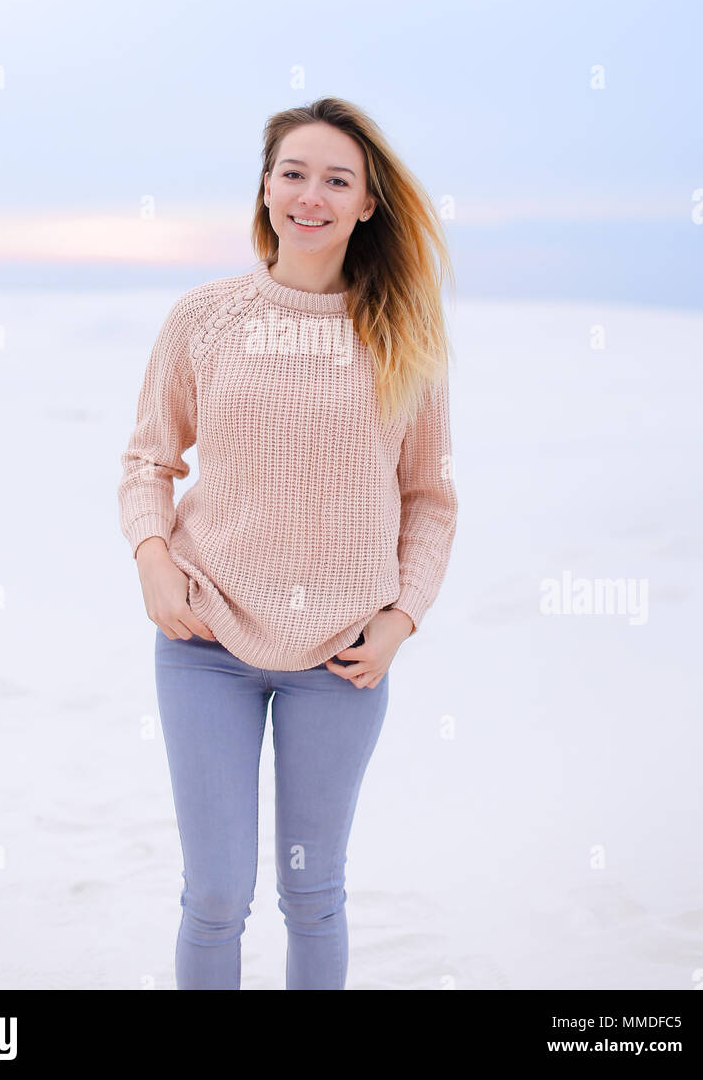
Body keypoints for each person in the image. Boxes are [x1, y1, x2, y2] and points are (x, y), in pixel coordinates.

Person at [118, 95, 458, 989]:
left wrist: (402, 619)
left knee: (313, 896)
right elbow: (149, 458)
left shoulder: (402, 338)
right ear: (266, 190)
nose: (312, 195)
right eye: (293, 173)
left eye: (336, 179)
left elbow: (431, 498)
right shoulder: (206, 317)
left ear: (367, 204)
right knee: (216, 895)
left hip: (341, 659)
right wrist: (155, 559)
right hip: (206, 643)